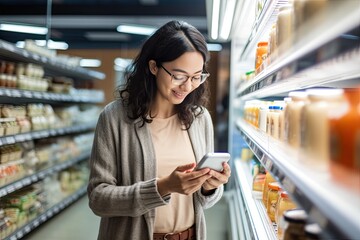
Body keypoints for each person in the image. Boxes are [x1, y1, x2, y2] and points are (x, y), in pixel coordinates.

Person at [87, 20, 231, 240]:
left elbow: (203, 202)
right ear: (153, 67)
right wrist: (163, 187)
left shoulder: (200, 118)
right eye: (179, 76)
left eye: (196, 77)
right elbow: (98, 199)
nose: (187, 86)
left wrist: (210, 187)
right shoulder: (114, 117)